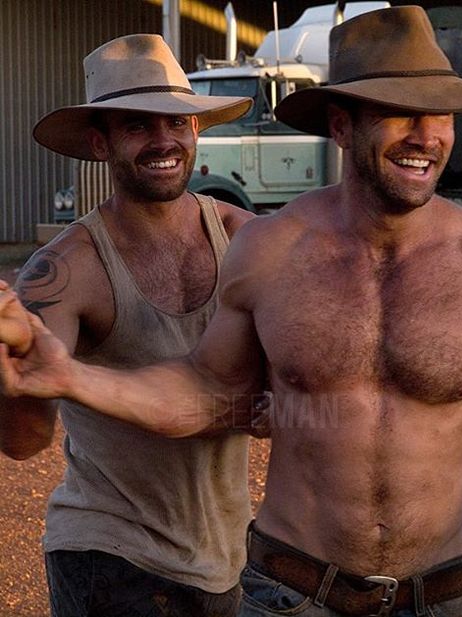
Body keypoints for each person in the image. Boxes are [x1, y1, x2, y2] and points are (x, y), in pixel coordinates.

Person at [0, 8, 462, 617]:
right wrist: (67, 376)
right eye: (399, 112)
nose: (426, 135)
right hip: (289, 592)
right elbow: (206, 388)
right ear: (341, 126)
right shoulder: (272, 250)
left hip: (441, 596)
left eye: (440, 112)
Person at [0, 33, 257, 617]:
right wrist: (11, 371)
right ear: (100, 142)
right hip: (109, 554)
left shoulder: (245, 240)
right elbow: (24, 441)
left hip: (229, 555)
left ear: (198, 131)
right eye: (138, 126)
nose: (164, 141)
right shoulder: (64, 272)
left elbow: (289, 399)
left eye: (177, 124)